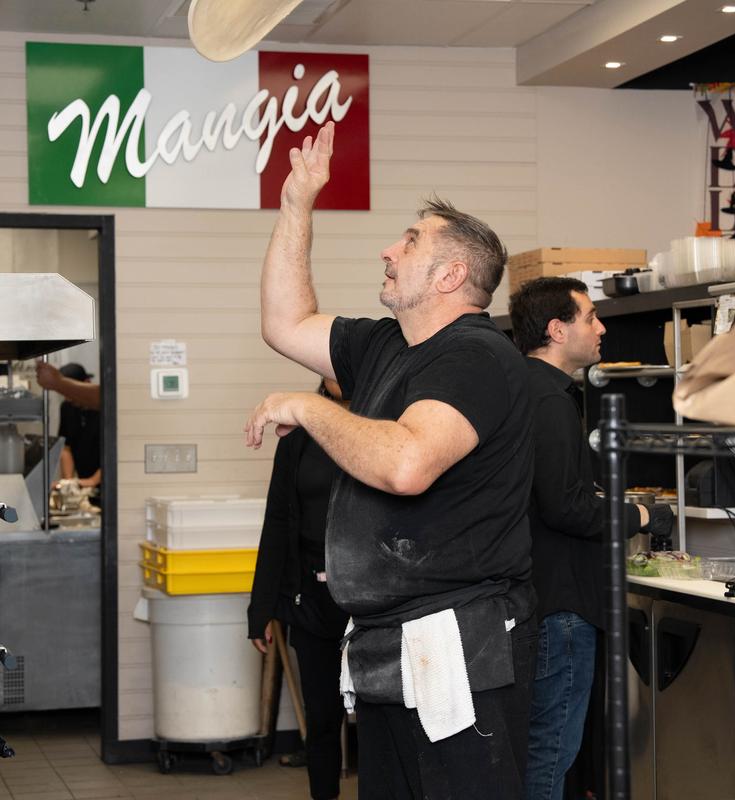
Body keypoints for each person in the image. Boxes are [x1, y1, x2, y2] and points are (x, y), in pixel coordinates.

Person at [244, 121, 538, 799]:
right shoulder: (386, 346)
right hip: (392, 641)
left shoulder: (477, 356)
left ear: (451, 275)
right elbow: (285, 323)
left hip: (459, 643)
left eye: (409, 242)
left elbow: (407, 464)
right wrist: (296, 205)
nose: (388, 250)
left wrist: (310, 408)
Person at [508, 277, 673, 800]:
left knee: (537, 751)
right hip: (561, 608)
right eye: (590, 318)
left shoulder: (518, 388)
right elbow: (566, 508)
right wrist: (642, 515)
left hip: (532, 599)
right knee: (551, 752)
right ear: (557, 330)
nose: (601, 329)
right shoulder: (550, 401)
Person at [248, 378, 350, 800]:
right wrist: (261, 607)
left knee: (383, 721)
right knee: (322, 718)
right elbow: (278, 520)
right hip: (311, 595)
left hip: (373, 601)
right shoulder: (299, 433)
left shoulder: (389, 420)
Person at [38, 363, 102, 497]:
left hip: (107, 481)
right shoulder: (67, 407)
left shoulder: (104, 409)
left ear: (86, 383)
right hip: (84, 481)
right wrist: (69, 482)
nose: (70, 399)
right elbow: (66, 448)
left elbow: (116, 454)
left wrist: (92, 481)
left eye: (72, 393)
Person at [36, 361, 101, 411]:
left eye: (70, 392)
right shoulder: (66, 407)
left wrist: (57, 382)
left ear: (87, 382)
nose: (68, 399)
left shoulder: (100, 407)